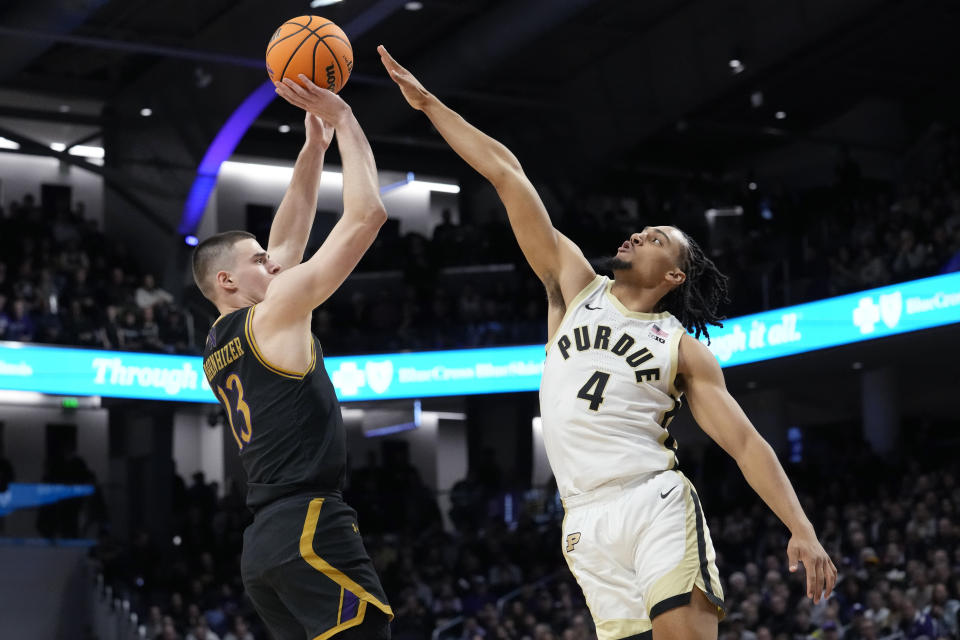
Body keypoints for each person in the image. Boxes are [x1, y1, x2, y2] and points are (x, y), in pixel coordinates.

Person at [379, 46, 837, 640]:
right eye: (642, 231)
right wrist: (430, 105)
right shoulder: (573, 285)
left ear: (675, 275)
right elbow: (505, 173)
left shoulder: (681, 347)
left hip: (652, 500)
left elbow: (746, 444)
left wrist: (800, 526)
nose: (639, 232)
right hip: (582, 520)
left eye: (658, 239)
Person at [192, 75, 392, 640]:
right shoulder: (272, 314)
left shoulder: (219, 342)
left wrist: (313, 149)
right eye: (258, 261)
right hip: (309, 524)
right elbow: (366, 215)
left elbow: (286, 241)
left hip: (265, 547)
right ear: (228, 279)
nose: (274, 264)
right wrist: (346, 118)